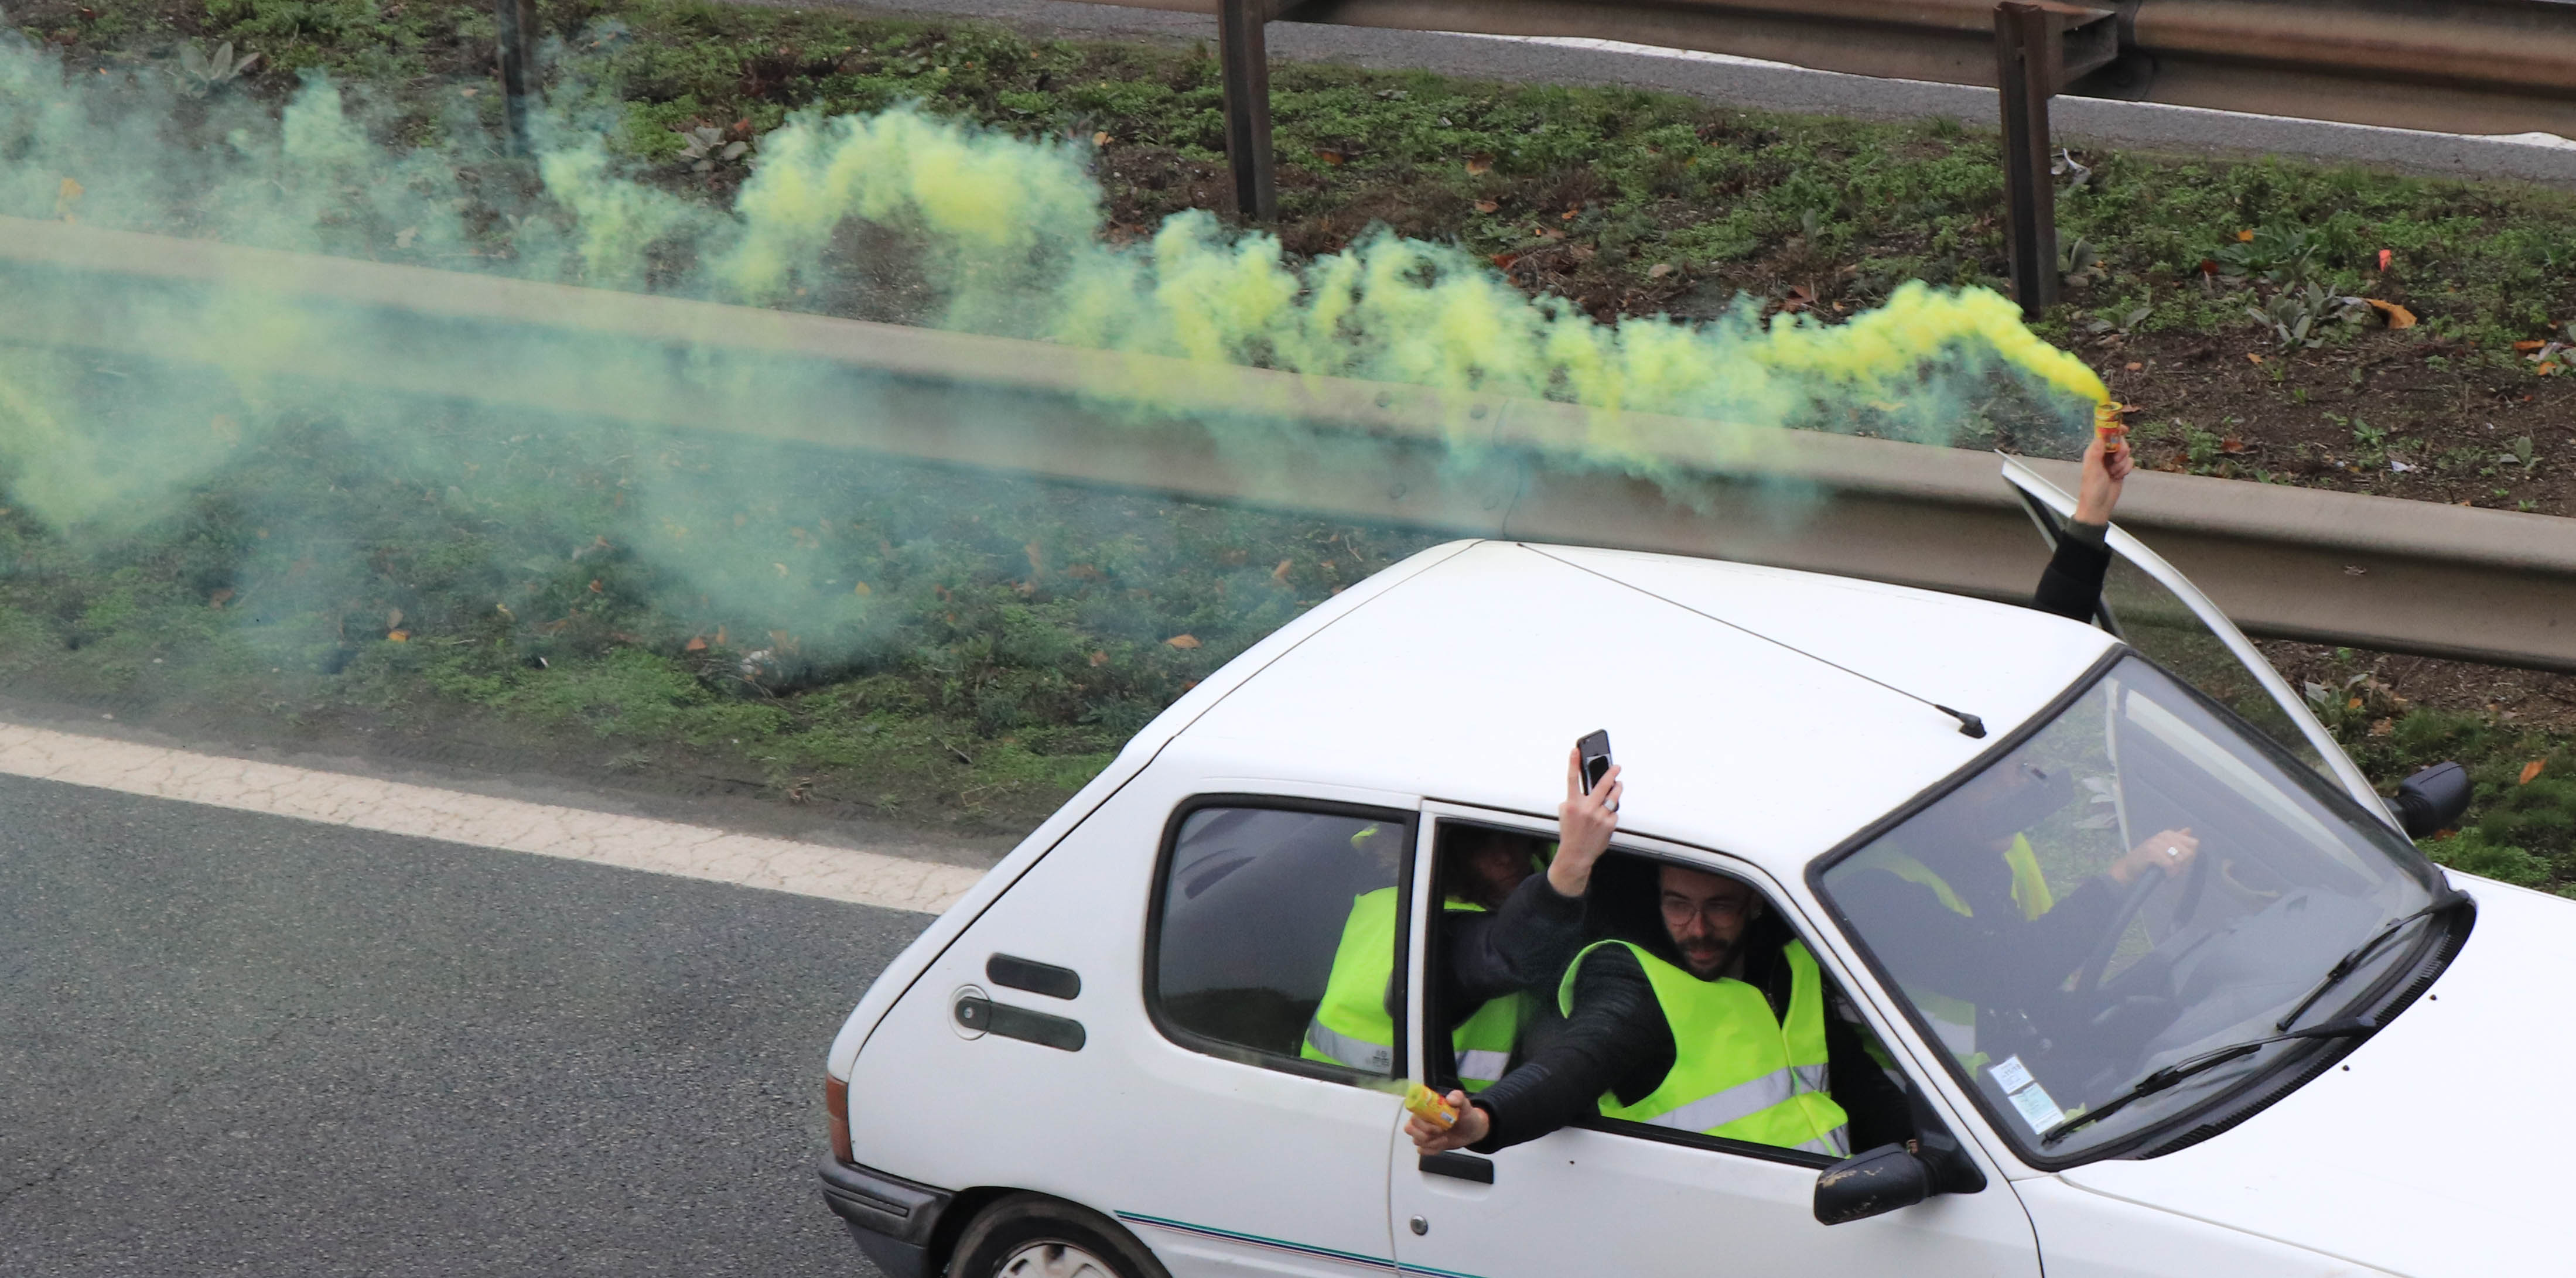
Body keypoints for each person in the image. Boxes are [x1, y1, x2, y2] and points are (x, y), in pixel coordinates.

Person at [1408, 761, 1898, 1157]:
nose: (1698, 928)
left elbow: (1849, 1072)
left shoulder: (1789, 960)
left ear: (1754, 905)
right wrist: (1485, 1120)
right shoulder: (1637, 984)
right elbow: (1575, 1064)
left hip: (1826, 1198)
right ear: (1656, 898)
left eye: (1720, 907)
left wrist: (1909, 1142)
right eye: (1678, 905)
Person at [1303, 767, 1610, 1089]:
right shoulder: (1429, 923)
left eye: (1512, 838)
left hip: (1427, 1106)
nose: (1506, 857)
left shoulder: (1433, 886)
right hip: (1371, 1106)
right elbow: (1507, 953)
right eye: (1481, 847)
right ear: (1446, 854)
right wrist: (1572, 863)